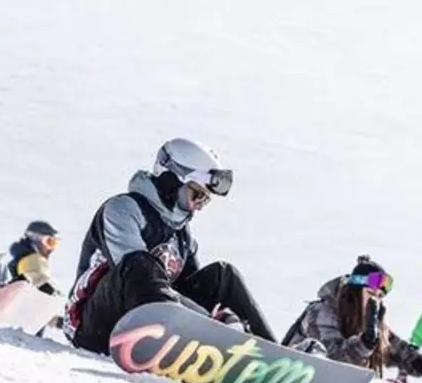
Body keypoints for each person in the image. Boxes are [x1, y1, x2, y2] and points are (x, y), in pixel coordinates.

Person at [63, 138, 277, 354]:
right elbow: (133, 277)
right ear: (171, 182)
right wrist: (211, 322)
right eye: (198, 195)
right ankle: (202, 337)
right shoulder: (124, 209)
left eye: (205, 200)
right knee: (140, 263)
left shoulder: (181, 233)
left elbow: (185, 290)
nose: (199, 207)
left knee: (223, 275)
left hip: (152, 322)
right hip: (96, 326)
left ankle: (273, 356)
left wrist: (216, 318)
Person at [282, 256, 422, 383]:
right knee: (316, 349)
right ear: (355, 292)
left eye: (380, 297)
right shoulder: (322, 311)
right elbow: (331, 356)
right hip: (292, 373)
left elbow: (397, 348)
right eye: (370, 293)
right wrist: (364, 344)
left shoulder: (373, 323)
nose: (375, 300)